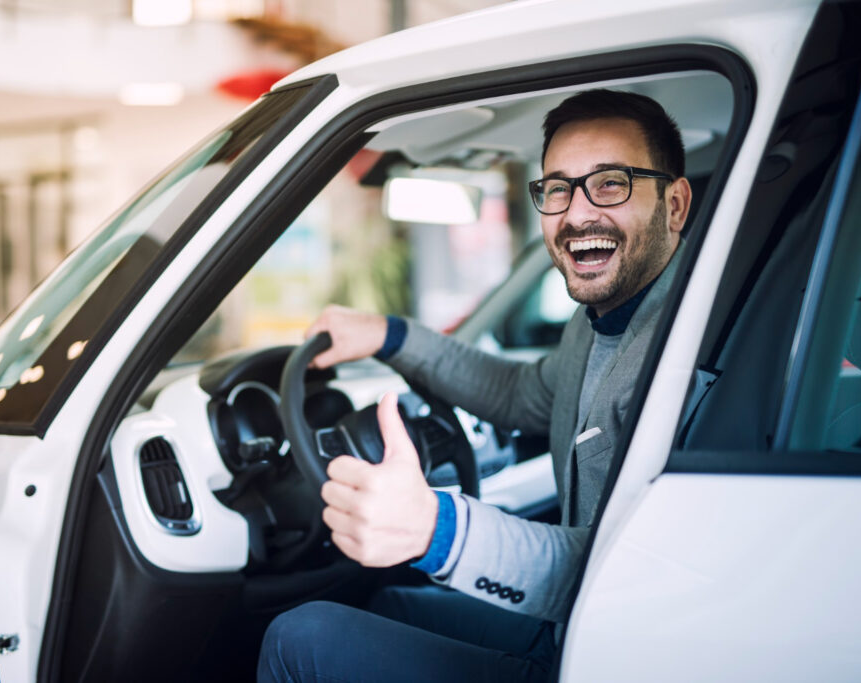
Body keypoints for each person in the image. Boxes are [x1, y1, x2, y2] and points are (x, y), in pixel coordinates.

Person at [258, 89, 693, 682]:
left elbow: (621, 573)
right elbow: (521, 395)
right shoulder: (602, 324)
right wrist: (392, 336)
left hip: (616, 653)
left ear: (674, 204)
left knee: (297, 638)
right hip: (572, 627)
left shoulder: (682, 353)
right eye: (558, 188)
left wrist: (437, 527)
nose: (577, 213)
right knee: (384, 604)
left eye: (611, 183)